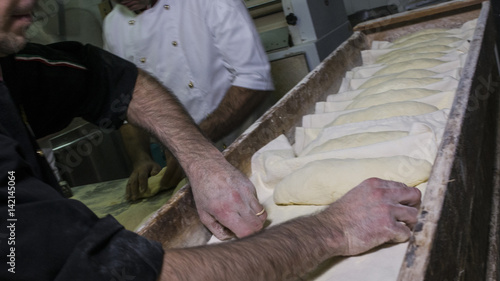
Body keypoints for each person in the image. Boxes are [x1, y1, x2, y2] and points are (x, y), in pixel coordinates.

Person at [0, 1, 422, 280]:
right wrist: (333, 230)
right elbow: (119, 273)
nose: (32, 2)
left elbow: (111, 82)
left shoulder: (9, 65)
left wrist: (200, 158)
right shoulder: (115, 23)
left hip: (229, 151)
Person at [103, 0, 274, 200]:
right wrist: (141, 158)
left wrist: (189, 146)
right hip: (186, 167)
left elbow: (253, 80)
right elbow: (126, 101)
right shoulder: (113, 24)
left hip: (248, 150)